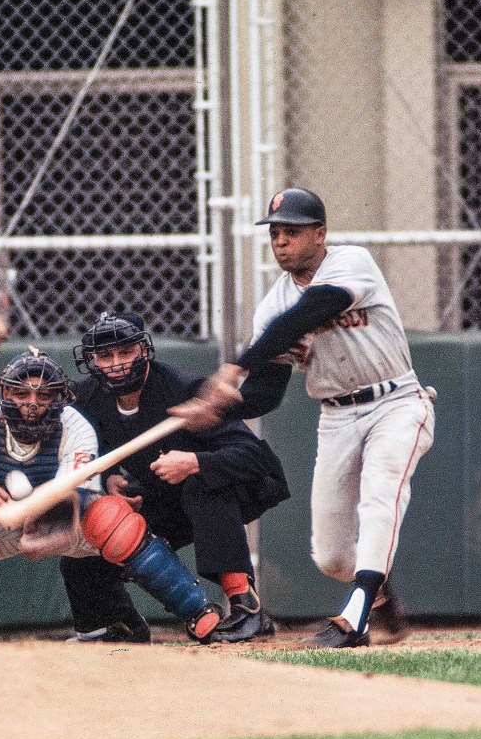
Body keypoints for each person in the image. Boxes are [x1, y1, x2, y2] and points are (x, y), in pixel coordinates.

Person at [172, 188, 436, 648]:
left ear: (320, 234)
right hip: (336, 416)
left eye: (292, 232)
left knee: (380, 495)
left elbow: (315, 309)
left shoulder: (350, 262)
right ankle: (379, 597)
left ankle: (354, 620)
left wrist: (232, 367)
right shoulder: (272, 307)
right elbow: (264, 396)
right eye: (275, 233)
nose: (281, 242)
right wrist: (218, 408)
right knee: (332, 556)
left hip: (396, 403)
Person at [0, 348, 227, 646]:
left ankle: (197, 613)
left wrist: (37, 523)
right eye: (21, 393)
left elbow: (70, 501)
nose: (32, 404)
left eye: (44, 395)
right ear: (4, 392)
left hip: (63, 517)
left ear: (59, 397)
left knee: (113, 517)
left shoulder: (76, 427)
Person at [67, 312, 290, 644]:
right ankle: (120, 624)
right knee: (90, 539)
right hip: (161, 492)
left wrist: (195, 461)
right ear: (92, 361)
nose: (116, 364)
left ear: (144, 352)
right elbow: (80, 447)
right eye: (105, 356)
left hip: (236, 487)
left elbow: (258, 459)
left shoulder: (187, 391)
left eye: (125, 352)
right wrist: (109, 477)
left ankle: (247, 608)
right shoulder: (87, 397)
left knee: (203, 486)